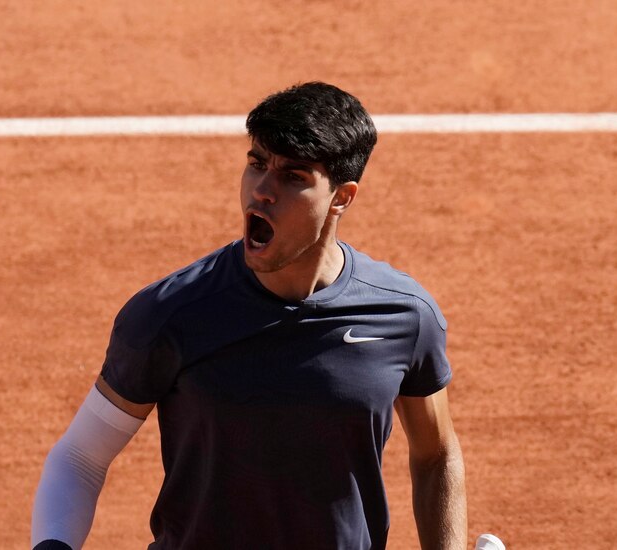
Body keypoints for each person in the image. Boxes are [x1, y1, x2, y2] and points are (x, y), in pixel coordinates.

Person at [31, 82, 468, 549]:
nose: (261, 190)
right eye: (257, 164)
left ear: (342, 197)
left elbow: (436, 454)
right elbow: (80, 458)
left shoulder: (402, 316)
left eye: (293, 176)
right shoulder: (171, 313)